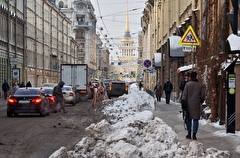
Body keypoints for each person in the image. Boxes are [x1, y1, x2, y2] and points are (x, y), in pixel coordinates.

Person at [181, 72, 205, 140]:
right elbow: (203, 95)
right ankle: (194, 134)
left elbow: (184, 95)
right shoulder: (199, 85)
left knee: (188, 119)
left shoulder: (187, 85)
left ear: (190, 77)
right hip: (196, 105)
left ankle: (189, 133)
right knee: (195, 119)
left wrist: (183, 102)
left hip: (188, 105)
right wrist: (200, 100)